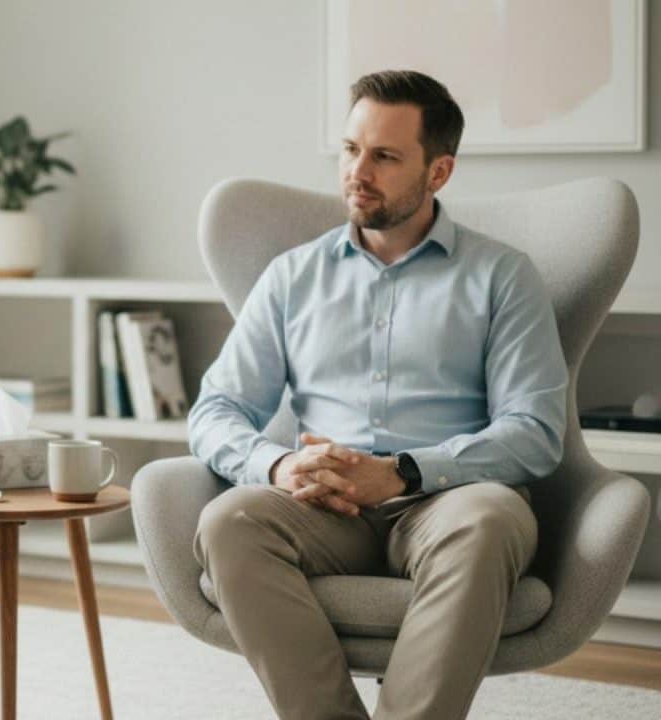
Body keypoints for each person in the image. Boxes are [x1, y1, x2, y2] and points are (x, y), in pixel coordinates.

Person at [188, 70, 567, 720]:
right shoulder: (292, 277)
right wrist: (278, 466)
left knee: (489, 522)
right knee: (229, 522)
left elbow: (535, 431)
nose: (357, 171)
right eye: (350, 149)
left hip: (447, 500)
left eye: (385, 156)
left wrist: (398, 474)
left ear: (439, 171)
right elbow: (216, 412)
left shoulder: (502, 278)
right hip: (322, 506)